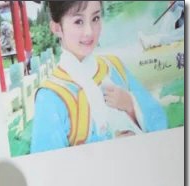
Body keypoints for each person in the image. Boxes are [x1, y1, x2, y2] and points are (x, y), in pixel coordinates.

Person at [31, 0, 167, 154]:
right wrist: (108, 146)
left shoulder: (114, 66)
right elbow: (48, 164)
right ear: (57, 28)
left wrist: (130, 104)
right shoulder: (50, 96)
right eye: (78, 21)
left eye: (95, 18)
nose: (89, 31)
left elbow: (161, 122)